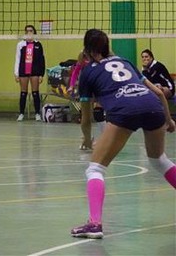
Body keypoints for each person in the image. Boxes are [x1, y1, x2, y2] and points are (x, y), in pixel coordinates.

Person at [71, 29, 176, 239]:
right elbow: (158, 92)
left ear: (86, 49)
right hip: (152, 106)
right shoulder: (125, 61)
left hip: (124, 110)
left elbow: (86, 118)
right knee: (159, 160)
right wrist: (168, 119)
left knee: (95, 169)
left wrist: (87, 140)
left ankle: (94, 224)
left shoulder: (88, 72)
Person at [14, 25, 46, 121]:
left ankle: (37, 113)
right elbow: (17, 59)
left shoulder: (38, 44)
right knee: (23, 92)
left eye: (31, 30)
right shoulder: (20, 44)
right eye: (27, 31)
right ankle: (21, 113)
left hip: (35, 71)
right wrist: (16, 73)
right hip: (23, 71)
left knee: (35, 92)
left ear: (34, 32)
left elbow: (41, 60)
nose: (29, 32)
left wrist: (41, 74)